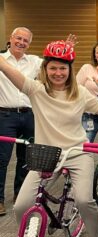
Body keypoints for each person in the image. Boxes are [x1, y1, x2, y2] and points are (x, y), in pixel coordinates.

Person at [0, 38, 98, 237]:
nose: (58, 72)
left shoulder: (79, 92)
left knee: (83, 200)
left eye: (63, 68)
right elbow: (8, 69)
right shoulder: (35, 89)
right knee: (21, 205)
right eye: (53, 67)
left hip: (78, 152)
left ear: (70, 70)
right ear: (45, 69)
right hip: (46, 154)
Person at [0, 27, 42, 216]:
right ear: (11, 38)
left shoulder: (34, 61)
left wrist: (65, 49)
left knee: (26, 159)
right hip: (4, 116)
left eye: (26, 40)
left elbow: (54, 66)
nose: (21, 42)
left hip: (28, 116)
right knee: (2, 159)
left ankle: (20, 196)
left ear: (29, 43)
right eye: (19, 38)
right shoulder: (1, 59)